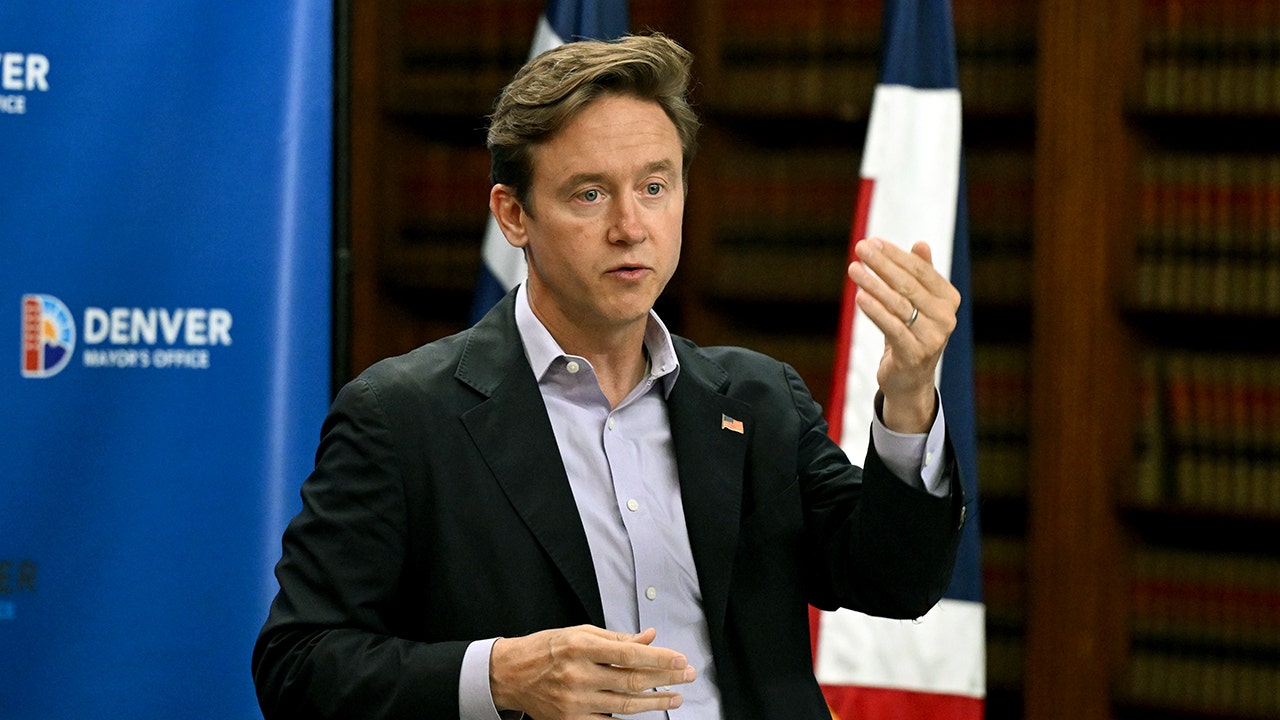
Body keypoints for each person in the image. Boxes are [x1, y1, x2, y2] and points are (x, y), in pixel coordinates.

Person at [253, 32, 965, 720]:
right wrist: (500, 677)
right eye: (590, 195)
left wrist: (908, 396)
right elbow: (298, 665)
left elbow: (895, 581)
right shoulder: (402, 416)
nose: (631, 226)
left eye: (654, 187)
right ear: (513, 215)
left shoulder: (758, 400)